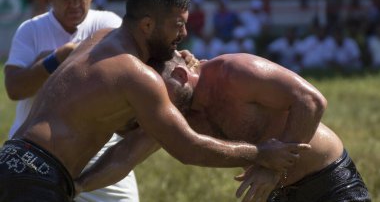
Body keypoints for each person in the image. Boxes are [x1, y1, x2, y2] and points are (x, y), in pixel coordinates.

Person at [0, 0, 309, 202]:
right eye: (177, 25)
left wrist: (181, 60)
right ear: (147, 25)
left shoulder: (101, 38)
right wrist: (261, 153)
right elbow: (188, 148)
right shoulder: (136, 76)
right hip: (37, 175)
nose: (184, 33)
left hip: (12, 158)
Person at [78, 52, 371, 202]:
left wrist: (271, 167)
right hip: (277, 193)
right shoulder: (174, 111)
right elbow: (125, 156)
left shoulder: (234, 72)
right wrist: (73, 187)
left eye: (158, 90)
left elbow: (311, 101)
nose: (156, 100)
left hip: (329, 181)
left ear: (181, 74)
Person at [3, 0, 139, 202]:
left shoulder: (108, 23)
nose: (75, 3)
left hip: (98, 151)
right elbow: (14, 88)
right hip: (36, 151)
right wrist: (58, 58)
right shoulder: (31, 30)